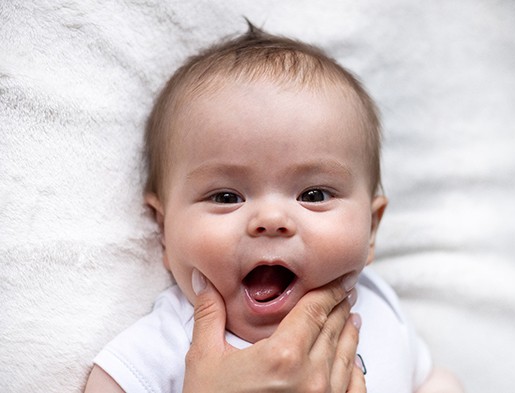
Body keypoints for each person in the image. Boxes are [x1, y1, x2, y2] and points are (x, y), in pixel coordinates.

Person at [85, 23, 464, 392]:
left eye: (314, 195)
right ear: (164, 231)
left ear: (372, 230)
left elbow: (429, 379)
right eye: (226, 197)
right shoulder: (161, 350)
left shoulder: (378, 304)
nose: (270, 220)